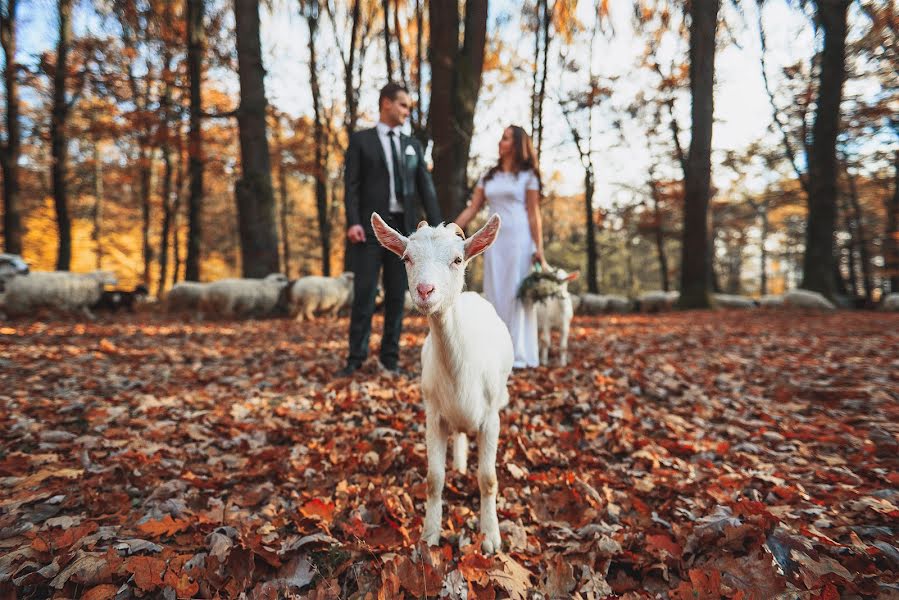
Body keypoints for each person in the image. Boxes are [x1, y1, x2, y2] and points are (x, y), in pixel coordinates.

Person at [338, 83, 442, 377]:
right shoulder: (361, 141)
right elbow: (352, 186)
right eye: (403, 105)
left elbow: (426, 188)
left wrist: (438, 227)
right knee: (365, 295)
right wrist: (354, 221)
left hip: (406, 233)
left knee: (398, 296)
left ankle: (389, 360)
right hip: (370, 231)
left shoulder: (413, 145)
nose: (407, 112)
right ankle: (356, 360)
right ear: (386, 103)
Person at [454, 125, 547, 369]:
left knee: (516, 294)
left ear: (517, 144)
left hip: (519, 240)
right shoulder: (489, 175)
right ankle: (495, 350)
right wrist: (448, 230)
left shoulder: (529, 176)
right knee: (495, 292)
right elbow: (473, 208)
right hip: (494, 243)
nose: (500, 141)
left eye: (505, 138)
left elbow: (533, 213)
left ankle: (518, 354)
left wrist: (539, 249)